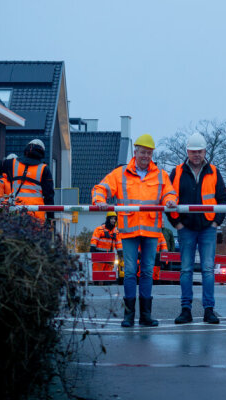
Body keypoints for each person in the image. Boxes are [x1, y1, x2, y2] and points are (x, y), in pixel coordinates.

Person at [92, 134, 178, 328]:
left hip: (150, 231)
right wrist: (99, 200)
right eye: (142, 152)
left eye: (149, 153)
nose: (145, 156)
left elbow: (169, 192)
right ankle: (129, 315)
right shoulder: (120, 173)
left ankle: (146, 315)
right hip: (129, 231)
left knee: (147, 272)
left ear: (152, 154)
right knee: (130, 272)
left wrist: (171, 201)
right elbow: (101, 187)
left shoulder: (160, 175)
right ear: (136, 152)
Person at [168, 133, 226, 325]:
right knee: (186, 270)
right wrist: (176, 223)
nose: (196, 155)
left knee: (208, 270)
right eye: (193, 151)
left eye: (199, 151)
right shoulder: (177, 172)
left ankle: (209, 311)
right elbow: (167, 198)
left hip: (207, 229)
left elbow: (223, 200)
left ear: (205, 152)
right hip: (185, 228)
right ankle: (186, 310)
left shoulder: (214, 171)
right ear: (187, 151)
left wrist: (215, 223)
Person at [0, 141, 55, 222]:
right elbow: (49, 196)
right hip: (36, 214)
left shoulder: (13, 163)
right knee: (36, 234)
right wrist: (50, 219)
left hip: (17, 211)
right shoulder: (44, 169)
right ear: (42, 152)